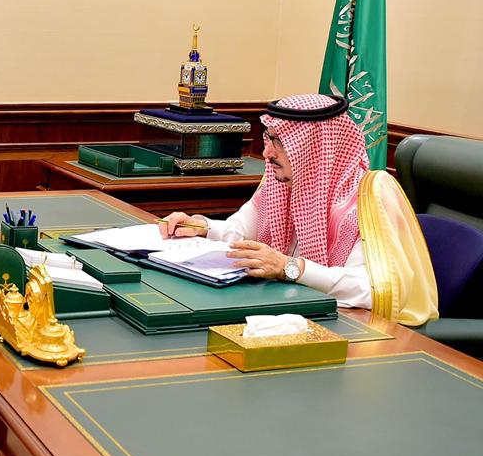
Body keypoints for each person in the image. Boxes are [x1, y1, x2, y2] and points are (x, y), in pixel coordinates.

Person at [159, 93, 438, 324]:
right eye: (268, 139)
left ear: (313, 147)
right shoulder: (281, 182)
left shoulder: (367, 198)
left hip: (355, 331)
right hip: (292, 314)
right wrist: (201, 227)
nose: (267, 153)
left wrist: (289, 268)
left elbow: (371, 290)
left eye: (279, 142)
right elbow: (241, 231)